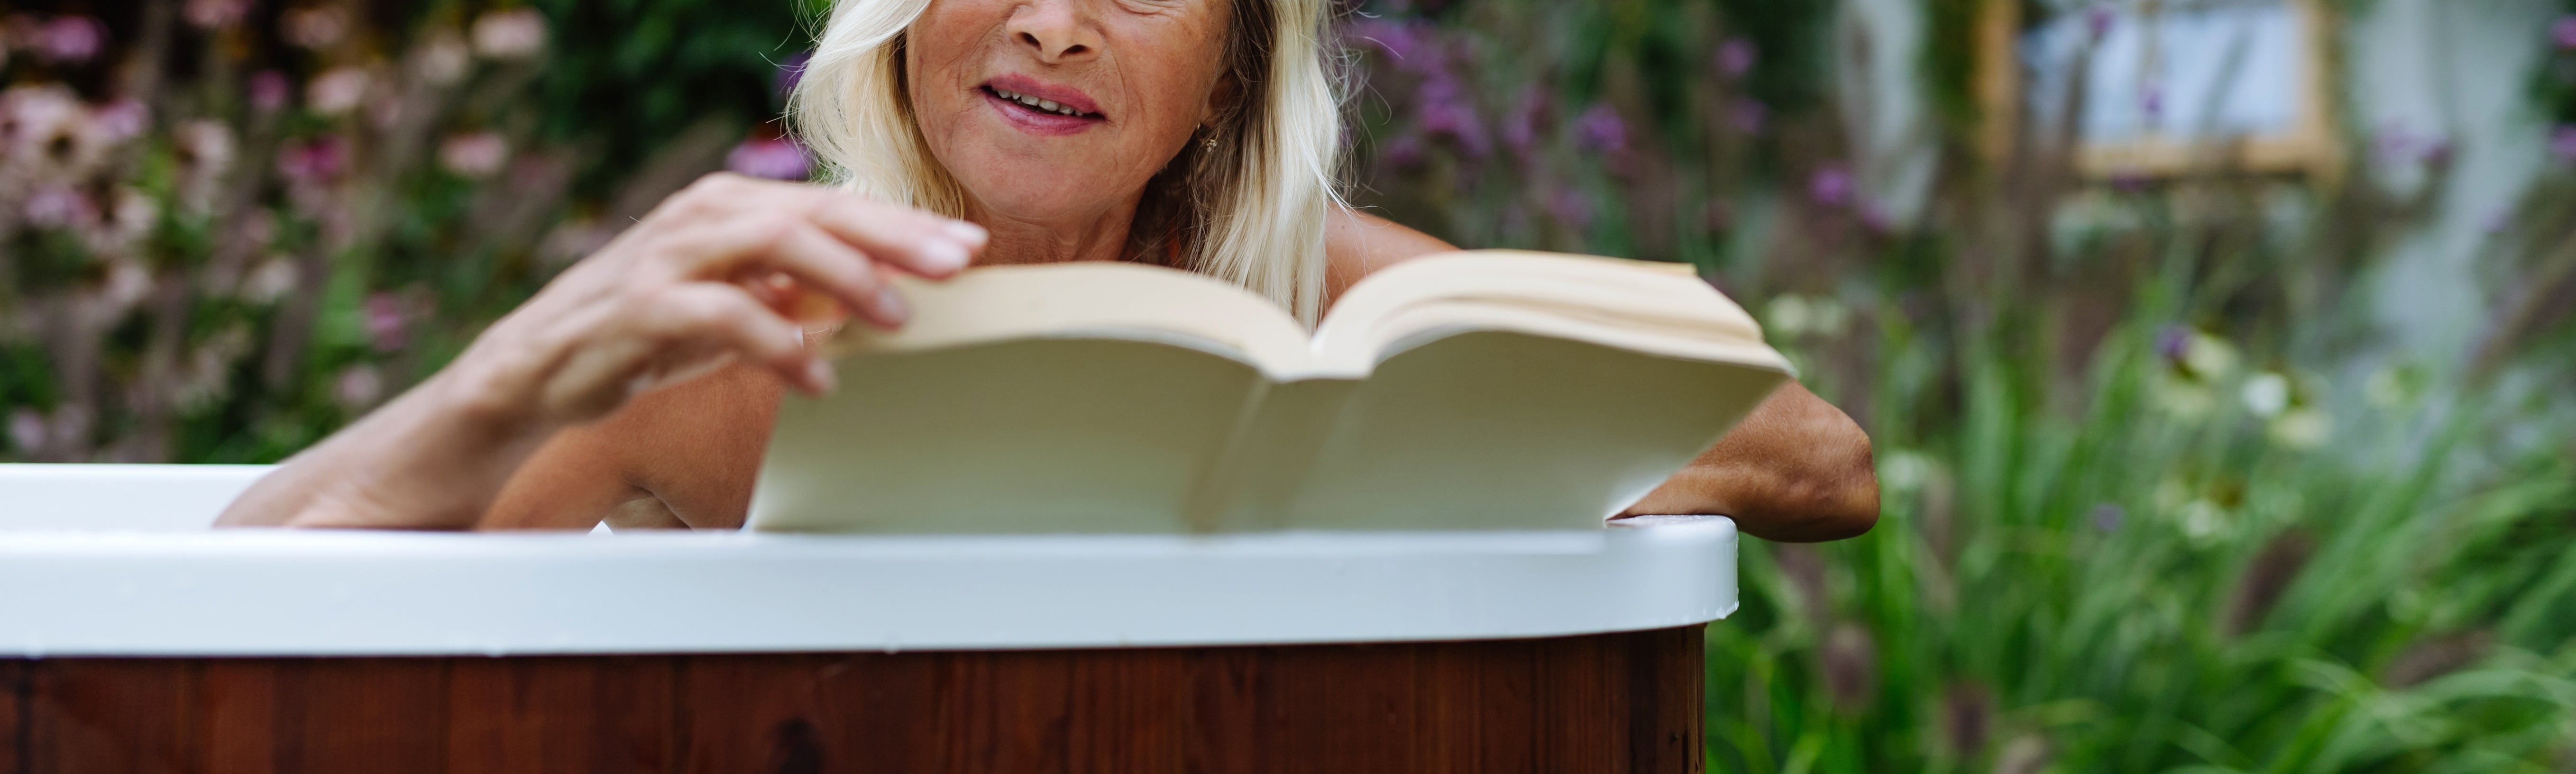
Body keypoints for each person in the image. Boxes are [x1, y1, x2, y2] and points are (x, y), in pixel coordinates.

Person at [216, 0, 1879, 542]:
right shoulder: (749, 322)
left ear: (1225, 79)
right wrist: (519, 366)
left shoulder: (1329, 294)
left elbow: (1822, 463)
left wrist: (1411, 453)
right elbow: (279, 601)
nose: (1054, 23)